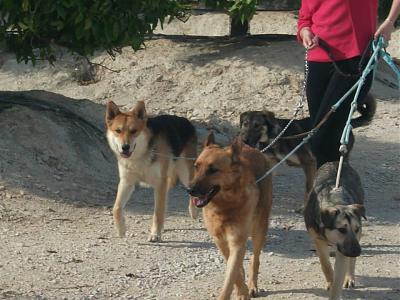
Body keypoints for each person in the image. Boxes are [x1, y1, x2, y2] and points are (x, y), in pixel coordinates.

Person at [297, 0, 400, 168]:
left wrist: (389, 21)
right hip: (317, 59)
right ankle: (327, 189)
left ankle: (330, 189)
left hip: (354, 59)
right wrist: (304, 31)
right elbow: (305, 17)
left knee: (322, 138)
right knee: (321, 134)